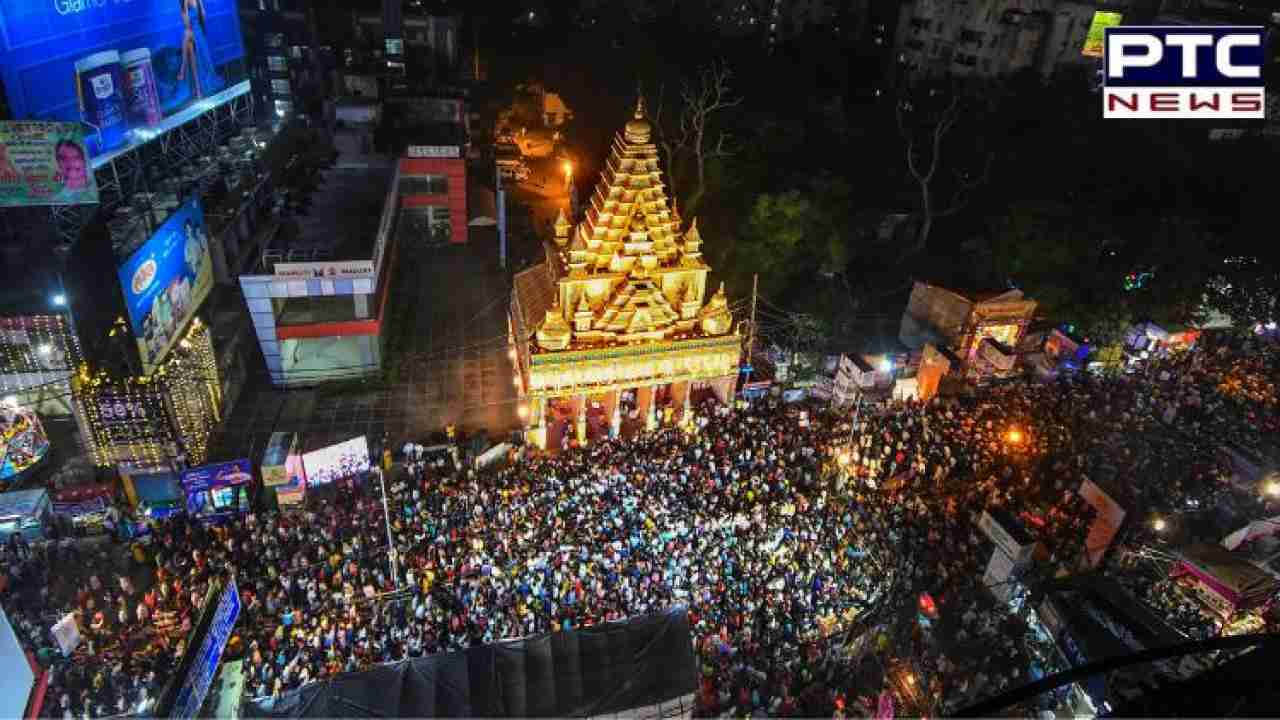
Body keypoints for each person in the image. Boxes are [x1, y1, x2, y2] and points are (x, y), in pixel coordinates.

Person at [177, 0, 222, 101]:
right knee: (187, 37)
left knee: (187, 37)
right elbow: (187, 24)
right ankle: (197, 89)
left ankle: (183, 71)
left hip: (198, 33)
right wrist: (185, 5)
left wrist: (200, 7)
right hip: (191, 32)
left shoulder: (198, 1)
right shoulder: (183, 5)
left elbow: (203, 17)